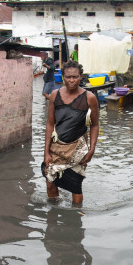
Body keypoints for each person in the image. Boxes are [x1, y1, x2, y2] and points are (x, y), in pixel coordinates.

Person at [42, 61, 99, 205]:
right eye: (68, 77)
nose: (71, 80)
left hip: (77, 148)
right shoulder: (55, 95)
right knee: (50, 181)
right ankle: (53, 213)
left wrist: (92, 149)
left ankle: (76, 218)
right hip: (56, 147)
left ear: (81, 77)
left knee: (75, 186)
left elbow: (95, 125)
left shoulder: (89, 98)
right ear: (63, 77)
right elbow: (50, 124)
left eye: (75, 77)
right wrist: (46, 152)